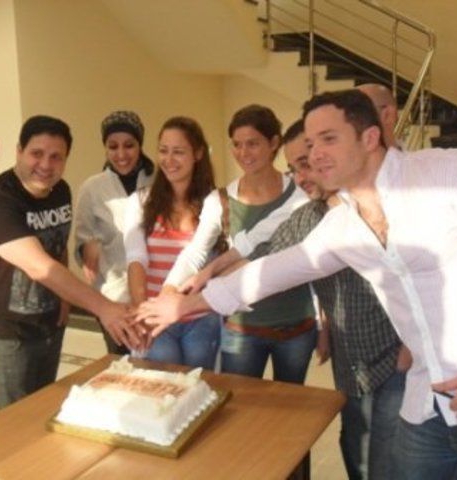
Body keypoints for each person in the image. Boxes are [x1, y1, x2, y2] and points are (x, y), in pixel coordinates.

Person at [136, 89, 457, 479]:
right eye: (310, 144)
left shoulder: (452, 172)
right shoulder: (343, 225)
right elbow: (275, 269)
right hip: (429, 402)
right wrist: (185, 304)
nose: (315, 155)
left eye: (329, 139)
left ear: (370, 137)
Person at [248, 119, 407, 480]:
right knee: (355, 448)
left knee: (387, 459)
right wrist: (197, 287)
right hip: (352, 364)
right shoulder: (309, 217)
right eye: (293, 169)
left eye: (305, 164)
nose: (301, 177)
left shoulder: (379, 205)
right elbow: (264, 258)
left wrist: (412, 346)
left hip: (397, 359)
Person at [0, 115, 142, 410]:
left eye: (56, 157)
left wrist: (64, 301)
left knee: (43, 405)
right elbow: (40, 266)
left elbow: (58, 246)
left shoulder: (59, 190)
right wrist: (104, 308)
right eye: (36, 153)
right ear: (19, 151)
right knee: (16, 417)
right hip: (8, 335)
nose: (45, 165)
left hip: (50, 324)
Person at [163, 104, 315, 384]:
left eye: (252, 144)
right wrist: (169, 289)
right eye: (236, 144)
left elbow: (277, 255)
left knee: (291, 403)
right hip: (242, 329)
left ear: (274, 143)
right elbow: (196, 251)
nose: (244, 153)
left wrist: (324, 323)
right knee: (238, 402)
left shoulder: (302, 194)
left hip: (296, 326)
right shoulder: (219, 200)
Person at [123, 117, 222, 369]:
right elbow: (136, 259)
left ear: (198, 154)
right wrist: (143, 311)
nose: (169, 160)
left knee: (198, 384)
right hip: (155, 315)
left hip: (200, 316)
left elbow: (202, 256)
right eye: (163, 151)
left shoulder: (215, 203)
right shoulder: (140, 202)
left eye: (178, 152)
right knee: (164, 379)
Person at [73, 110, 155, 355]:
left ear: (140, 145)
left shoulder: (159, 182)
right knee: (122, 364)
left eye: (129, 145)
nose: (121, 154)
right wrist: (87, 248)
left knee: (158, 361)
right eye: (113, 146)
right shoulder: (92, 188)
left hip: (155, 293)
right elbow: (81, 239)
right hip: (113, 297)